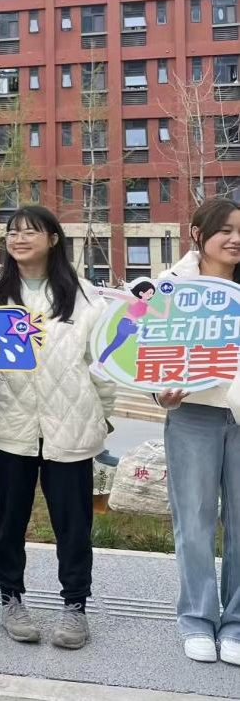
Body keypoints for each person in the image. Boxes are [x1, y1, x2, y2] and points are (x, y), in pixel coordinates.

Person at [0, 205, 112, 649]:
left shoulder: (87, 297)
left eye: (31, 231)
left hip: (72, 426)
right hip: (10, 425)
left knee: (73, 525)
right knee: (8, 522)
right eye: (12, 232)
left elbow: (102, 363)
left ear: (53, 239)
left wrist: (105, 415)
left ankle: (75, 607)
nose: (19, 238)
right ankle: (11, 598)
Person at [156, 197, 240, 665]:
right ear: (197, 234)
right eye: (225, 230)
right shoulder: (168, 288)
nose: (235, 239)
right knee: (194, 521)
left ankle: (237, 623)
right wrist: (161, 395)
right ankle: (196, 619)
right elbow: (146, 352)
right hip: (192, 415)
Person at [94, 280, 168, 364]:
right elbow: (117, 295)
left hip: (127, 326)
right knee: (144, 330)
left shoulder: (147, 307)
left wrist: (167, 304)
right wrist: (101, 292)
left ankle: (100, 363)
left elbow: (163, 317)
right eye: (149, 293)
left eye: (152, 293)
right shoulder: (134, 300)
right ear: (141, 293)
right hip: (125, 324)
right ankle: (142, 349)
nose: (151, 295)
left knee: (114, 345)